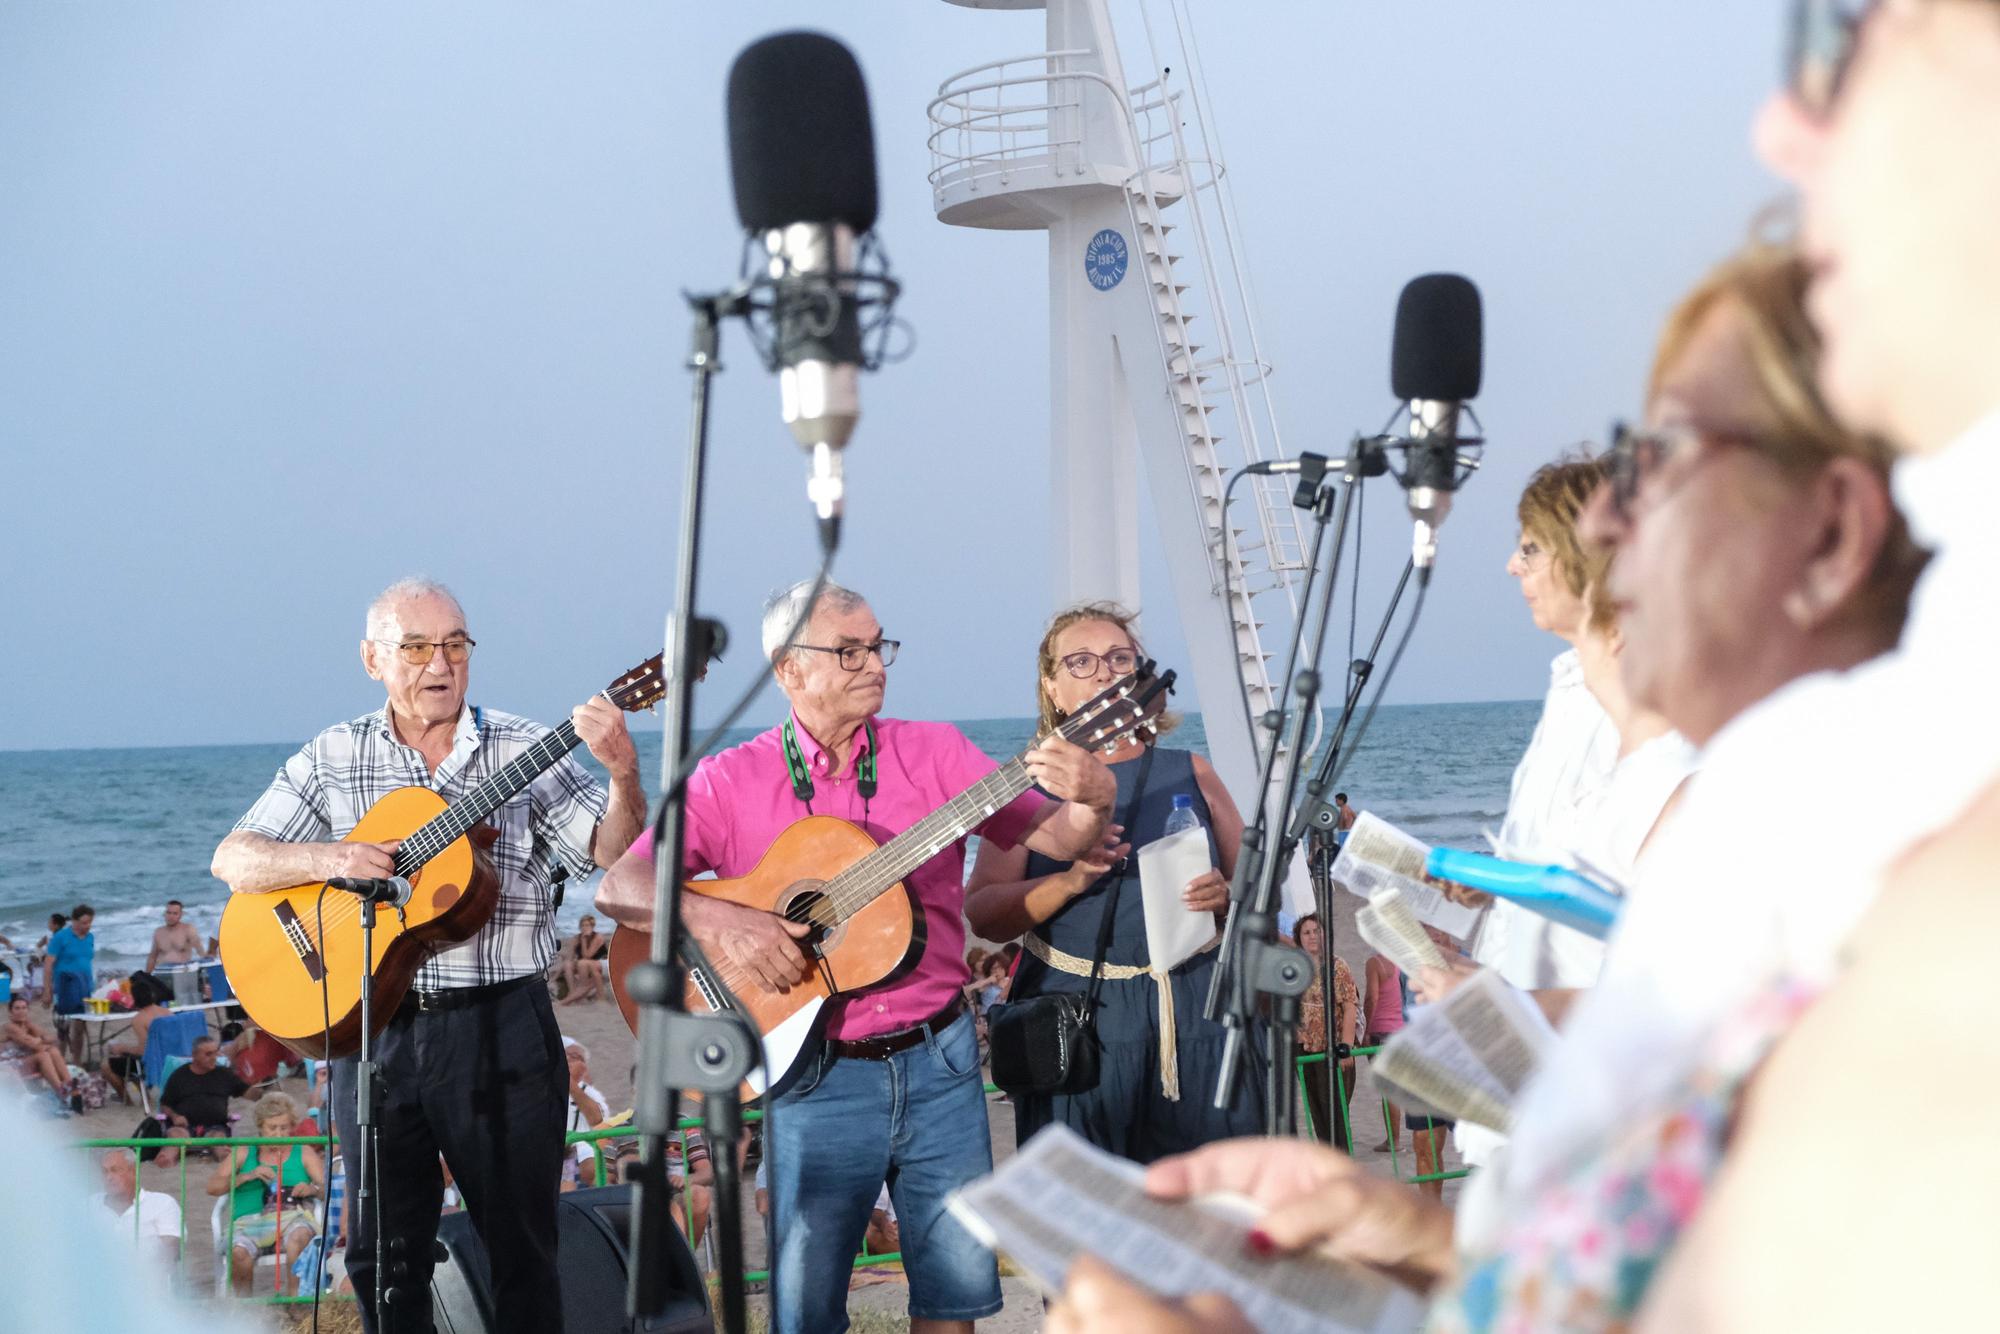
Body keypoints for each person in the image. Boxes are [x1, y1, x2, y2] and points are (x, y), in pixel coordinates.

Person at [1043, 219, 1929, 1324]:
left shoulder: (1864, 848)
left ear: (1834, 526)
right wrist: (1405, 1234)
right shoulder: (1722, 802)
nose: (1607, 514)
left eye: (1668, 468)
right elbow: (1619, 1216)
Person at [596, 578, 1115, 1334]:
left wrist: (1094, 797)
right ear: (787, 670)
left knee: (955, 1298)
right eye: (849, 650)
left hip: (940, 1061)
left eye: (878, 645)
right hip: (812, 1073)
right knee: (806, 1311)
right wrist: (728, 924)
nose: (874, 663)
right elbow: (622, 884)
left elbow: (1057, 839)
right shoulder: (729, 777)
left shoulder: (937, 753)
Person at [209, 576, 647, 1334]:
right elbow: (235, 859)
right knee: (382, 1260)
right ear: (372, 658)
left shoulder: (519, 746)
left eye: (454, 644)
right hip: (374, 1031)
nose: (438, 663)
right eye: (415, 647)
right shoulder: (335, 754)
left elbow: (610, 849)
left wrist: (622, 772)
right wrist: (331, 859)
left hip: (502, 1026)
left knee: (523, 1251)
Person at [965, 601, 1259, 1162]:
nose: (1103, 671)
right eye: (1080, 661)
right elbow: (983, 912)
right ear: (1052, 687)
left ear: (1141, 673)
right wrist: (1069, 882)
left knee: (1213, 1203)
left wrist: (1227, 895)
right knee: (1088, 1212)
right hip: (1077, 1017)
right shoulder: (1024, 785)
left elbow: (1255, 889)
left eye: (1118, 657)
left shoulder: (1192, 770)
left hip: (1195, 1004)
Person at [210, 1091, 325, 1298]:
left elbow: (326, 1187)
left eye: (284, 1128)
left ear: (292, 1127)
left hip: (293, 1218)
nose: (279, 1134)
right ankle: (246, 1312)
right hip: (248, 1222)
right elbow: (213, 1187)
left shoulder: (303, 1151)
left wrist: (312, 1190)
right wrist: (247, 1176)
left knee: (300, 1236)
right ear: (261, 1127)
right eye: (272, 1128)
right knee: (238, 1252)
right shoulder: (245, 1152)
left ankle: (295, 1302)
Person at [1289, 912, 1357, 1150]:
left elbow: (1350, 1007)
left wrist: (1346, 1047)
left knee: (1336, 1112)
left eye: (1316, 931)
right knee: (1316, 1111)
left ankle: (1342, 1165)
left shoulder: (1337, 966)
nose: (1312, 936)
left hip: (1332, 1046)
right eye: (1306, 932)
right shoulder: (1295, 967)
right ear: (1298, 938)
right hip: (1303, 1047)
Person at [160, 1034, 249, 1165]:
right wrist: (175, 1116)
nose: (214, 1058)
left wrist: (261, 1082)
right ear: (195, 1055)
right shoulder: (179, 1076)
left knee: (223, 1151)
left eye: (215, 1053)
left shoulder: (224, 1074)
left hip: (216, 1128)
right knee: (171, 1146)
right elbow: (165, 1104)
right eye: (208, 1054)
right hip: (184, 1128)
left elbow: (248, 1092)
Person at [93, 1146, 182, 1269]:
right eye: (105, 1172)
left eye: (115, 1170)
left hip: (145, 1279)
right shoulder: (89, 1204)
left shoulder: (162, 1203)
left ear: (134, 1171)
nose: (109, 1177)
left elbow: (171, 1249)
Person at [100, 972, 172, 1104]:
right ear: (152, 995)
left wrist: (122, 1048)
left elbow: (144, 1051)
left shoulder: (139, 1019)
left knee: (106, 1066)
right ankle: (145, 1096)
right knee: (128, 1060)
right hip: (168, 1060)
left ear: (134, 999)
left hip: (151, 1064)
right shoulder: (167, 1012)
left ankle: (126, 1100)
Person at [40, 903, 96, 1062]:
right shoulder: (60, 937)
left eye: (90, 922)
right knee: (63, 1030)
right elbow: (48, 964)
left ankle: (77, 1063)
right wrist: (47, 990)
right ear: (74, 921)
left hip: (85, 986)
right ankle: (60, 1063)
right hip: (64, 987)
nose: (88, 926)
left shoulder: (90, 937)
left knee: (79, 1028)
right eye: (84, 923)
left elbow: (86, 961)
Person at [2, 994, 76, 1101]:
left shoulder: (27, 1024)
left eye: (24, 1008)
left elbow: (52, 1038)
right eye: (17, 1008)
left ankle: (69, 1086)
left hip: (24, 1060)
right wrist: (41, 1041)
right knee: (43, 1055)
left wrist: (40, 1040)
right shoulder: (9, 1027)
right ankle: (60, 1091)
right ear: (10, 1012)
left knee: (53, 1050)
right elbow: (33, 1045)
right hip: (9, 1064)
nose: (21, 1011)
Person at [559, 1037, 610, 1189]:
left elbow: (597, 1120)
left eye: (574, 1057)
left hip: (581, 1153)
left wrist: (570, 1083)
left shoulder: (590, 1093)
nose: (567, 1059)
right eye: (564, 1055)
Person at [555, 913, 608, 1005]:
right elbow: (569, 958)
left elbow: (587, 956)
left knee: (582, 962)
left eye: (587, 925)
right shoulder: (576, 938)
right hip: (582, 966)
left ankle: (580, 992)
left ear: (592, 926)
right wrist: (556, 975)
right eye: (582, 925)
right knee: (568, 964)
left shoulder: (598, 937)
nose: (584, 927)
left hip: (596, 965)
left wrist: (583, 940)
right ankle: (572, 992)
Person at [146, 899, 203, 974]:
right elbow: (152, 957)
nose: (171, 916)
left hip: (181, 972)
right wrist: (147, 975)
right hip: (162, 973)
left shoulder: (188, 929)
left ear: (181, 915)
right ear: (165, 914)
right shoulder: (158, 932)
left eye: (175, 913)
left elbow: (201, 952)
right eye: (168, 913)